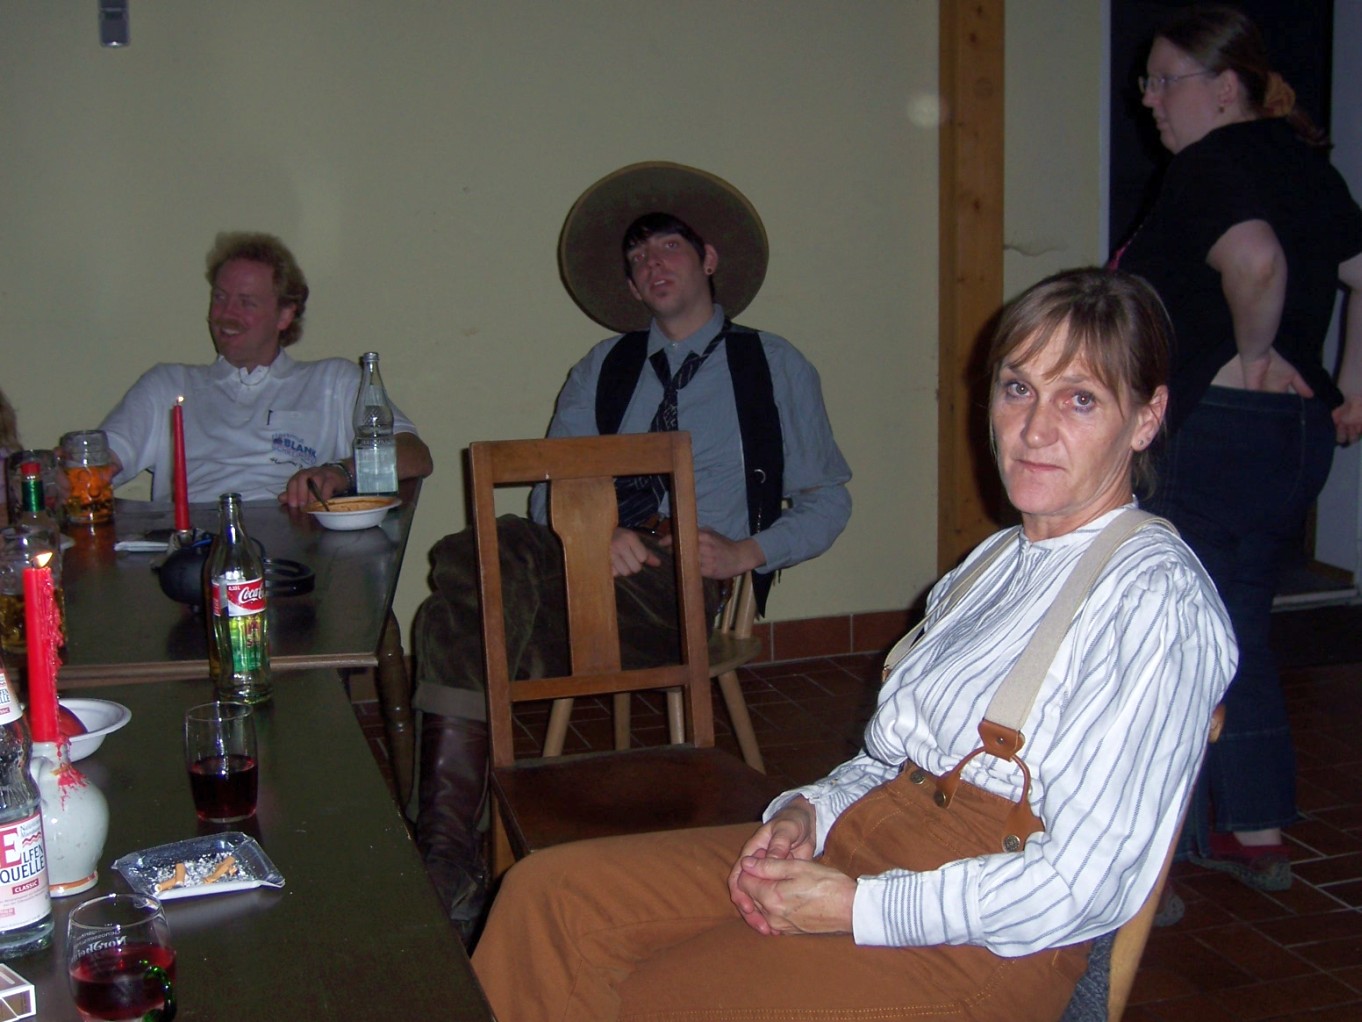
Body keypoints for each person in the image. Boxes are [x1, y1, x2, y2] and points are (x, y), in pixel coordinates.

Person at [469, 269, 1236, 1022]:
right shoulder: (990, 565)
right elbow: (887, 760)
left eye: (1080, 399)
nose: (1035, 429)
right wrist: (808, 813)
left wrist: (857, 907)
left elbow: (1085, 887)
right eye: (1017, 389)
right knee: (547, 902)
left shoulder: (1155, 599)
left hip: (979, 943)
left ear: (1146, 418)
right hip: (863, 846)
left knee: (648, 997)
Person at [410, 162, 852, 942]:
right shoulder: (602, 367)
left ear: (708, 259)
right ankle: (449, 855)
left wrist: (747, 552)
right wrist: (595, 531)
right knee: (480, 552)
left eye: (668, 247)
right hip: (587, 565)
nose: (652, 264)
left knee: (473, 607)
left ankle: (448, 858)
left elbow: (829, 498)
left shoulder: (774, 365)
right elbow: (548, 491)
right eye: (638, 257)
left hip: (685, 583)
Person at [1113, 4, 1362, 892]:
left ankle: (1149, 854)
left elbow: (1255, 262)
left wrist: (1252, 353)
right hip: (1294, 437)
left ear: (1224, 88)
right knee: (1237, 619)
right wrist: (1351, 388)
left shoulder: (1210, 164)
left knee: (1171, 629)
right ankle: (1252, 826)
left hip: (1215, 429)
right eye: (1145, 82)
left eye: (1163, 81)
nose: (1148, 100)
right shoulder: (1305, 166)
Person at [97, 231, 433, 508]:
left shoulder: (332, 380)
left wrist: (340, 473)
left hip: (292, 545)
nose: (226, 315)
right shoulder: (167, 384)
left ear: (285, 315)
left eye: (246, 303)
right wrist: (78, 476)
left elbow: (415, 455)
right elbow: (97, 463)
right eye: (220, 298)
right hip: (192, 545)